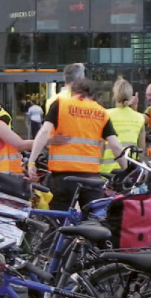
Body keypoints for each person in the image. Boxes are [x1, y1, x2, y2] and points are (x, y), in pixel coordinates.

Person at [28, 78, 126, 211]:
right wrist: (126, 171)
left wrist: (32, 162)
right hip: (91, 177)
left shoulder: (60, 105)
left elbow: (44, 132)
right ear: (92, 95)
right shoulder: (101, 112)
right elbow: (115, 146)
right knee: (92, 220)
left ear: (72, 92)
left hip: (63, 176)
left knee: (58, 220)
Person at [101, 78, 145, 174]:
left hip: (106, 172)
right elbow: (141, 150)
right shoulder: (140, 118)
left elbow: (100, 147)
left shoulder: (105, 115)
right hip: (130, 173)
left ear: (114, 96)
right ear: (130, 95)